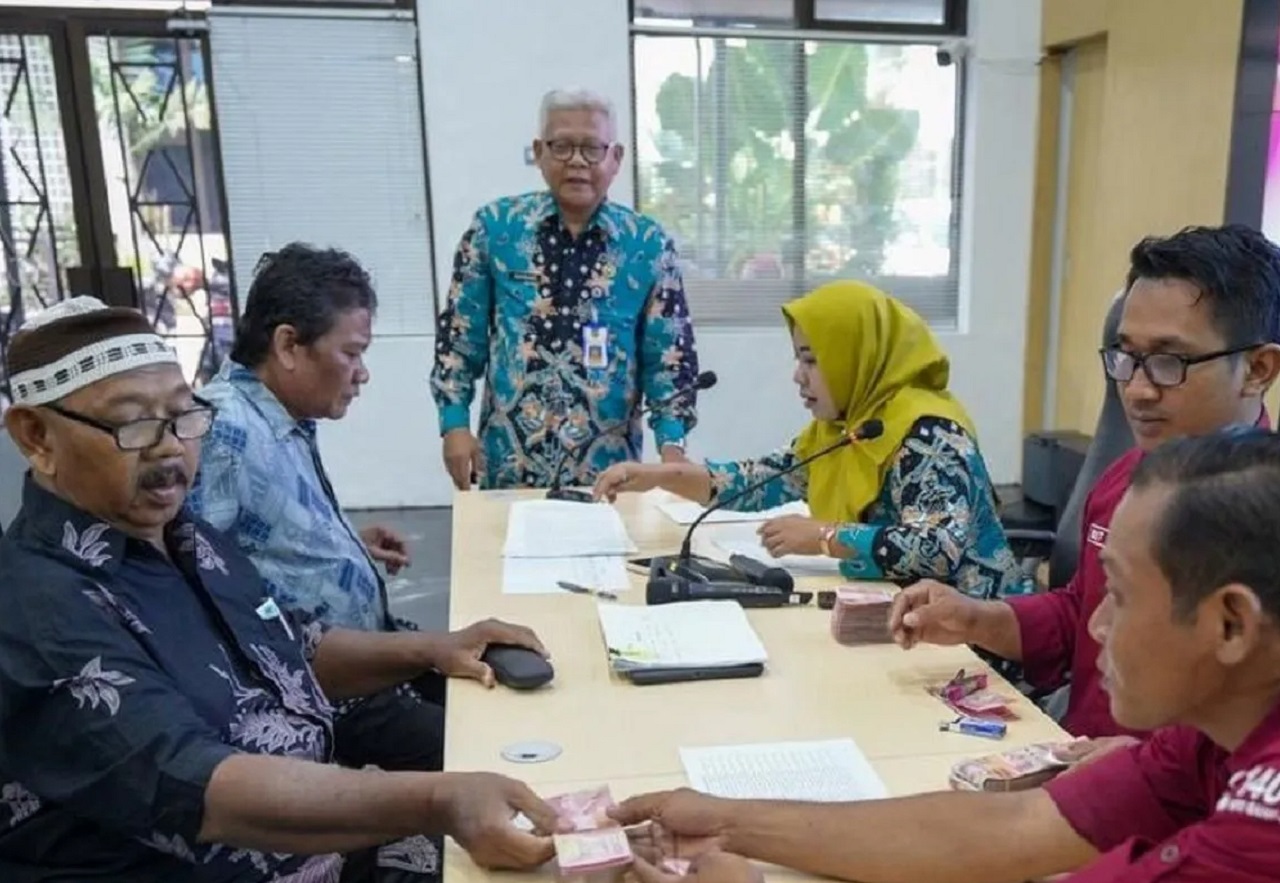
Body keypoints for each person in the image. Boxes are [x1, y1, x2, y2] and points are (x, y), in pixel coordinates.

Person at [0, 297, 562, 882]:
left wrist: (436, 649)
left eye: (184, 416)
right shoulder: (37, 608)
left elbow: (286, 644)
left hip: (313, 846)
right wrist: (438, 801)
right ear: (36, 436)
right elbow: (196, 782)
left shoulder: (185, 535)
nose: (170, 447)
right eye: (133, 423)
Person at [611, 428, 1280, 883]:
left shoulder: (1260, 833)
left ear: (1231, 624)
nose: (1097, 624)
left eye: (1123, 596)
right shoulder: (1219, 727)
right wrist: (727, 818)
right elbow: (1017, 823)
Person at [889, 224, 1280, 740]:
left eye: (1169, 362)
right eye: (1126, 357)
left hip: (1178, 802)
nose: (1137, 390)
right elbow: (1082, 611)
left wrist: (1150, 765)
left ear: (1257, 368)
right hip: (1073, 756)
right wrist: (976, 619)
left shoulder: (1265, 521)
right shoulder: (1127, 477)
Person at [189, 244, 544, 774]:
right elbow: (204, 590)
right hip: (324, 696)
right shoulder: (225, 429)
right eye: (351, 353)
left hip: (367, 656)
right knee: (502, 751)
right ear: (288, 345)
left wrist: (345, 541)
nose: (363, 373)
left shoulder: (275, 415)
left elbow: (257, 544)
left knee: (519, 701)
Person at [593, 280, 1025, 600]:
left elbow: (937, 549)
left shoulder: (929, 432)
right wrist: (658, 475)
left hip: (972, 632)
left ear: (855, 356)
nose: (797, 376)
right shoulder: (849, 425)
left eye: (812, 361)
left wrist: (824, 536)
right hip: (897, 612)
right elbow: (759, 478)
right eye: (799, 359)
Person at [429, 87, 700, 491]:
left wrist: (672, 450)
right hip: (506, 466)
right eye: (562, 146)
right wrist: (453, 424)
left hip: (609, 475)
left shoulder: (647, 245)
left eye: (592, 147)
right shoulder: (496, 229)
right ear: (539, 151)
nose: (576, 161)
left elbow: (669, 360)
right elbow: (458, 339)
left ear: (616, 158)